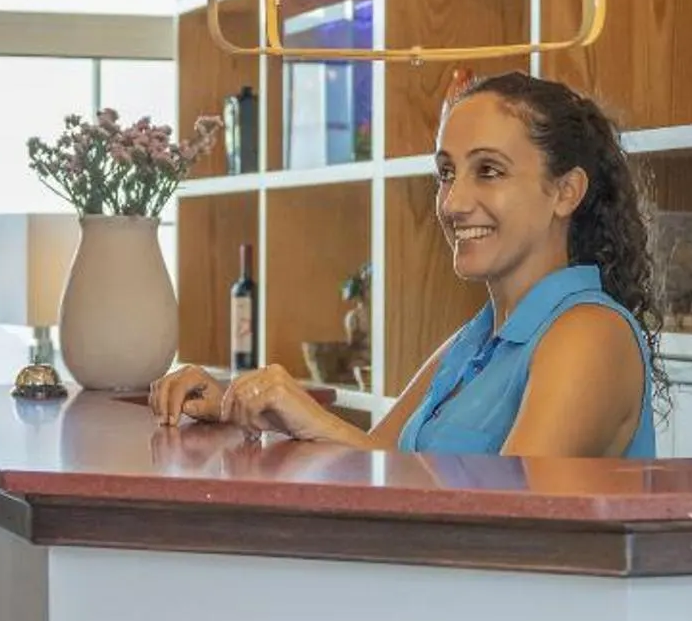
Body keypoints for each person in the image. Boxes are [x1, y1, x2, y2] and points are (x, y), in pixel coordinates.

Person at [153, 71, 660, 458]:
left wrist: (310, 415)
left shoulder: (590, 335)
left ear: (566, 192)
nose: (453, 202)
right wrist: (242, 405)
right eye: (446, 173)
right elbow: (380, 463)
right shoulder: (477, 339)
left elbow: (506, 522)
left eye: (488, 171)